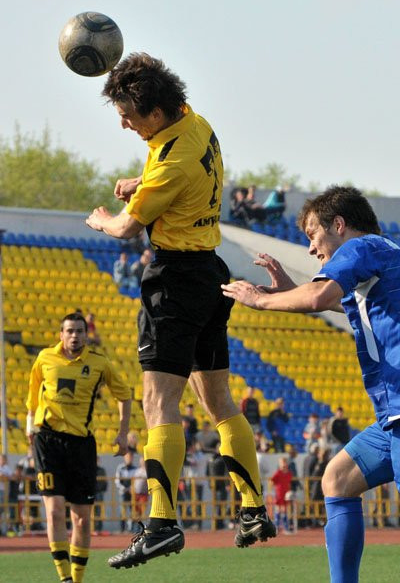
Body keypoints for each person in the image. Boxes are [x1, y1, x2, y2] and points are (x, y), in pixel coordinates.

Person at [86, 52, 276, 569]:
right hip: (210, 274)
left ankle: (161, 524)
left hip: (174, 282)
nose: (124, 124)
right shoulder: (195, 123)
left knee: (158, 401)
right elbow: (175, 170)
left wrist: (103, 219)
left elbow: (127, 227)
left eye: (128, 115)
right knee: (218, 401)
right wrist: (140, 183)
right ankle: (253, 508)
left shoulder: (170, 159)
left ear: (154, 111)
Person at [221, 184, 400, 583]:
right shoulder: (383, 253)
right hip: (391, 417)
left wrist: (260, 300)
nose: (311, 248)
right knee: (338, 478)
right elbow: (338, 302)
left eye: (313, 235)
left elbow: (320, 297)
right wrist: (290, 292)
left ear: (339, 225)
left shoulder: (360, 247)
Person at [26, 312, 132, 583]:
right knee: (54, 511)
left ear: (86, 334)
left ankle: (77, 578)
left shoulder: (99, 363)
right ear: (61, 334)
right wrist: (29, 423)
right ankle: (64, 578)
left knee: (82, 518)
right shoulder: (45, 358)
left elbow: (124, 395)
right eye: (70, 331)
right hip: (48, 441)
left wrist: (122, 433)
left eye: (79, 331)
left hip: (81, 445)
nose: (74, 336)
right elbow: (33, 392)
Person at [115, 452, 138, 533]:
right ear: (124, 458)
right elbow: (117, 480)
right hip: (123, 493)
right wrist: (124, 488)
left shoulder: (135, 469)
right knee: (122, 511)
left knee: (133, 511)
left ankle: (131, 529)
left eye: (130, 457)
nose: (129, 459)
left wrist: (131, 488)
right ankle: (122, 529)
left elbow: (136, 481)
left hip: (132, 493)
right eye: (127, 457)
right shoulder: (120, 468)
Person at [271, 457, 292, 533]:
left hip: (285, 494)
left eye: (285, 463)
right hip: (279, 493)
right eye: (282, 463)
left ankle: (286, 527)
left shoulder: (289, 473)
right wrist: (274, 489)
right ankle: (276, 527)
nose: (284, 465)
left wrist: (289, 491)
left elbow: (289, 483)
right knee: (278, 509)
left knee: (285, 509)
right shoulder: (278, 473)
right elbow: (272, 481)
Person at [93, 457, 108, 534]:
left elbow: (105, 482)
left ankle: (98, 528)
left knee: (99, 511)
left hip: (99, 492)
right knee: (91, 510)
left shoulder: (102, 470)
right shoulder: (89, 469)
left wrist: (102, 490)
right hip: (91, 493)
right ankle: (92, 528)